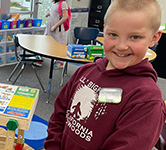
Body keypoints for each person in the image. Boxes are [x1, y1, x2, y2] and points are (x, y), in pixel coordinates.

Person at [44, 0, 166, 149]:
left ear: (154, 38)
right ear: (104, 30)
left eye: (135, 37)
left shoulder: (147, 100)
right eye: (113, 34)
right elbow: (59, 115)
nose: (121, 46)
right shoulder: (85, 71)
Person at [35, 0, 68, 68]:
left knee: (59, 43)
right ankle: (40, 58)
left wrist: (55, 26)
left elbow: (65, 17)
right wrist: (49, 14)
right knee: (45, 41)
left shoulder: (63, 3)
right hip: (50, 26)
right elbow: (56, 13)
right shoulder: (54, 3)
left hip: (57, 27)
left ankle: (60, 62)